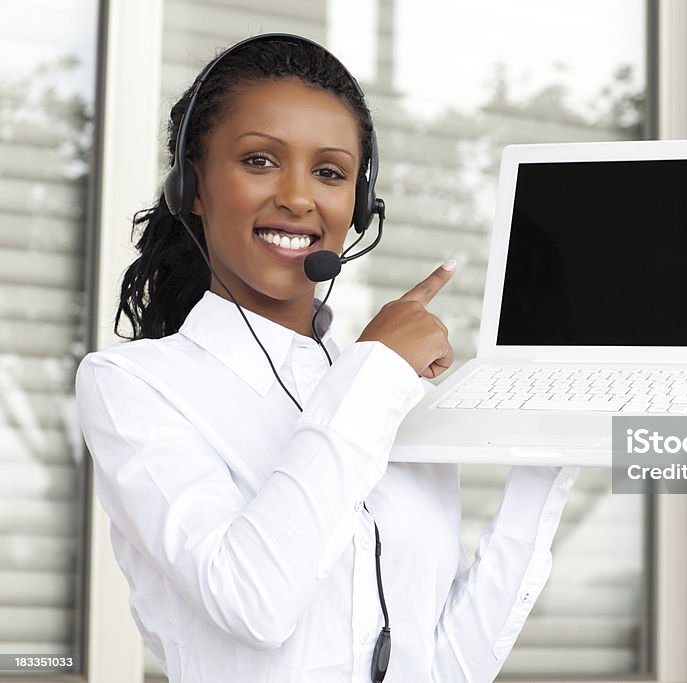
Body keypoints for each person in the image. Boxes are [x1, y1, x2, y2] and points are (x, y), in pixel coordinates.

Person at [74, 34, 579, 682]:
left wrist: (554, 446)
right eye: (260, 160)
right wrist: (375, 371)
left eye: (331, 172)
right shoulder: (134, 386)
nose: (298, 197)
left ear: (361, 206)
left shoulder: (392, 394)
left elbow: (444, 664)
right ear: (192, 186)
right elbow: (254, 599)